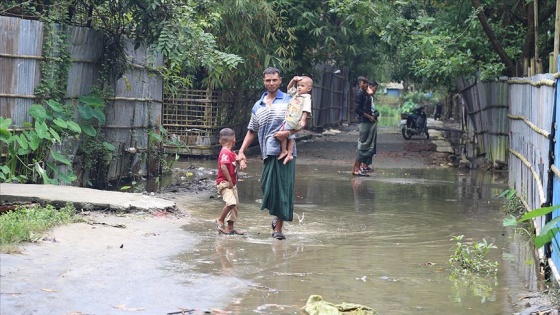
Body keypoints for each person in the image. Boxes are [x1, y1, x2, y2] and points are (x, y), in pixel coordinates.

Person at [236, 67, 297, 240]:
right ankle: (276, 215)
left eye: (274, 80)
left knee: (283, 190)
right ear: (263, 82)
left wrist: (288, 133)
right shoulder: (258, 105)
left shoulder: (289, 100)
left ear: (280, 80)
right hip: (267, 153)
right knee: (267, 186)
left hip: (286, 154)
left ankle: (278, 228)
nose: (271, 83)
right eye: (268, 80)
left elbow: (301, 122)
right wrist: (241, 151)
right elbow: (252, 131)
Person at [215, 128, 245, 235]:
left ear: (220, 141)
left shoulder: (231, 152)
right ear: (234, 140)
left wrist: (241, 161)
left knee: (235, 205)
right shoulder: (224, 152)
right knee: (231, 203)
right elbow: (223, 166)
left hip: (232, 183)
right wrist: (229, 181)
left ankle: (230, 227)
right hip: (225, 183)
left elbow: (237, 158)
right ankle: (220, 220)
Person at [277, 75, 313, 164]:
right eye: (298, 85)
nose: (299, 87)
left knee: (283, 133)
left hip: (295, 120)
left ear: (309, 89)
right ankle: (289, 153)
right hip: (290, 119)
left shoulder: (306, 98)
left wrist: (303, 120)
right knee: (291, 136)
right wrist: (293, 80)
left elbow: (306, 109)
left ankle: (284, 150)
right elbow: (289, 87)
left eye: (302, 86)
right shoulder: (296, 95)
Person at [351, 76, 378, 176]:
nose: (367, 85)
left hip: (367, 122)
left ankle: (358, 167)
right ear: (360, 83)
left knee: (366, 145)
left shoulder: (365, 94)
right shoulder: (360, 94)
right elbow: (357, 109)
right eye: (365, 83)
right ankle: (356, 168)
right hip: (364, 122)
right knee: (362, 145)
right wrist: (369, 116)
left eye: (367, 83)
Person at [363, 81, 379, 172]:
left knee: (371, 144)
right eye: (375, 88)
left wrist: (375, 114)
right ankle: (363, 165)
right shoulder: (365, 96)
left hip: (371, 121)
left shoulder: (370, 97)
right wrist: (370, 116)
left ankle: (366, 164)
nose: (375, 91)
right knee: (366, 144)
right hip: (367, 122)